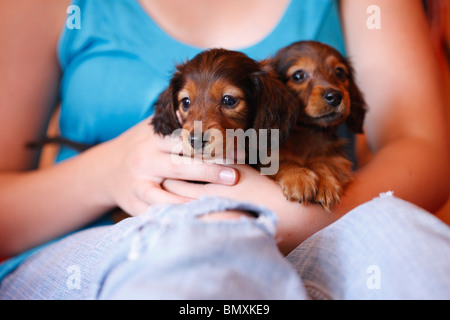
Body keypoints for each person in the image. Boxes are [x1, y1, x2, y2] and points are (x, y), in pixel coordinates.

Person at [0, 0, 449, 300]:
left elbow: (421, 144)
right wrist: (106, 173)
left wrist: (312, 216)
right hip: (103, 243)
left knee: (404, 240)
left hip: (332, 220)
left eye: (231, 101)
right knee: (211, 247)